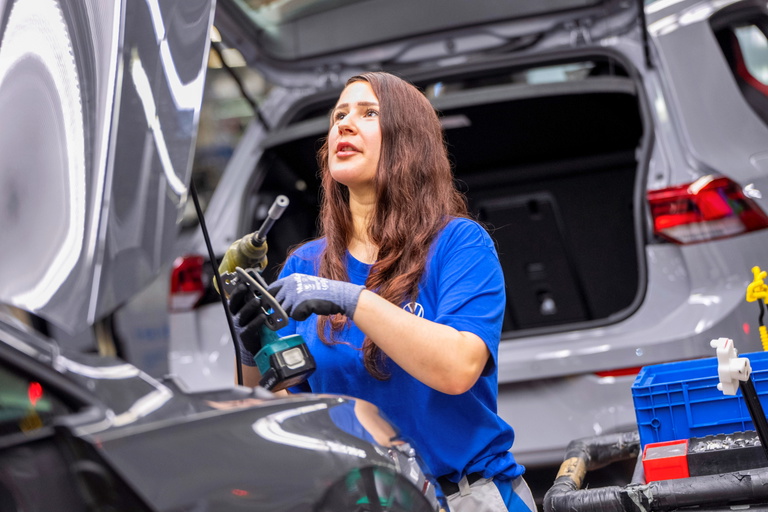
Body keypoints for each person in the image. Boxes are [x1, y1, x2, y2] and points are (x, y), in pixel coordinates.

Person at [230, 71, 537, 512]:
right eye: (338, 115)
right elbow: (282, 413)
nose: (344, 125)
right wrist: (250, 353)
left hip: (464, 498)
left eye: (368, 113)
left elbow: (457, 368)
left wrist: (351, 300)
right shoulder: (305, 264)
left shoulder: (459, 244)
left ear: (407, 143)